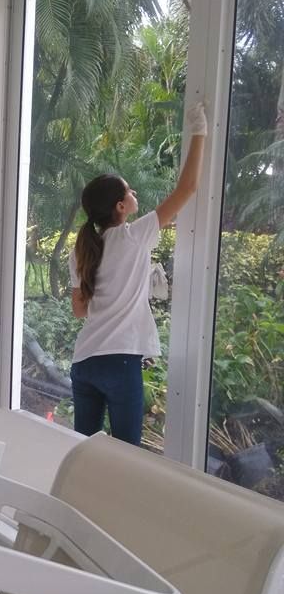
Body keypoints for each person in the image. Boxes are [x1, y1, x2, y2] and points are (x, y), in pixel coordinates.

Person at [68, 103, 208, 445]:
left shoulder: (82, 248)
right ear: (120, 206)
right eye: (129, 192)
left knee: (83, 452)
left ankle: (76, 500)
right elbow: (187, 188)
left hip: (84, 361)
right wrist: (200, 132)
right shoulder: (135, 235)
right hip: (121, 364)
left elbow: (80, 310)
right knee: (125, 456)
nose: (135, 195)